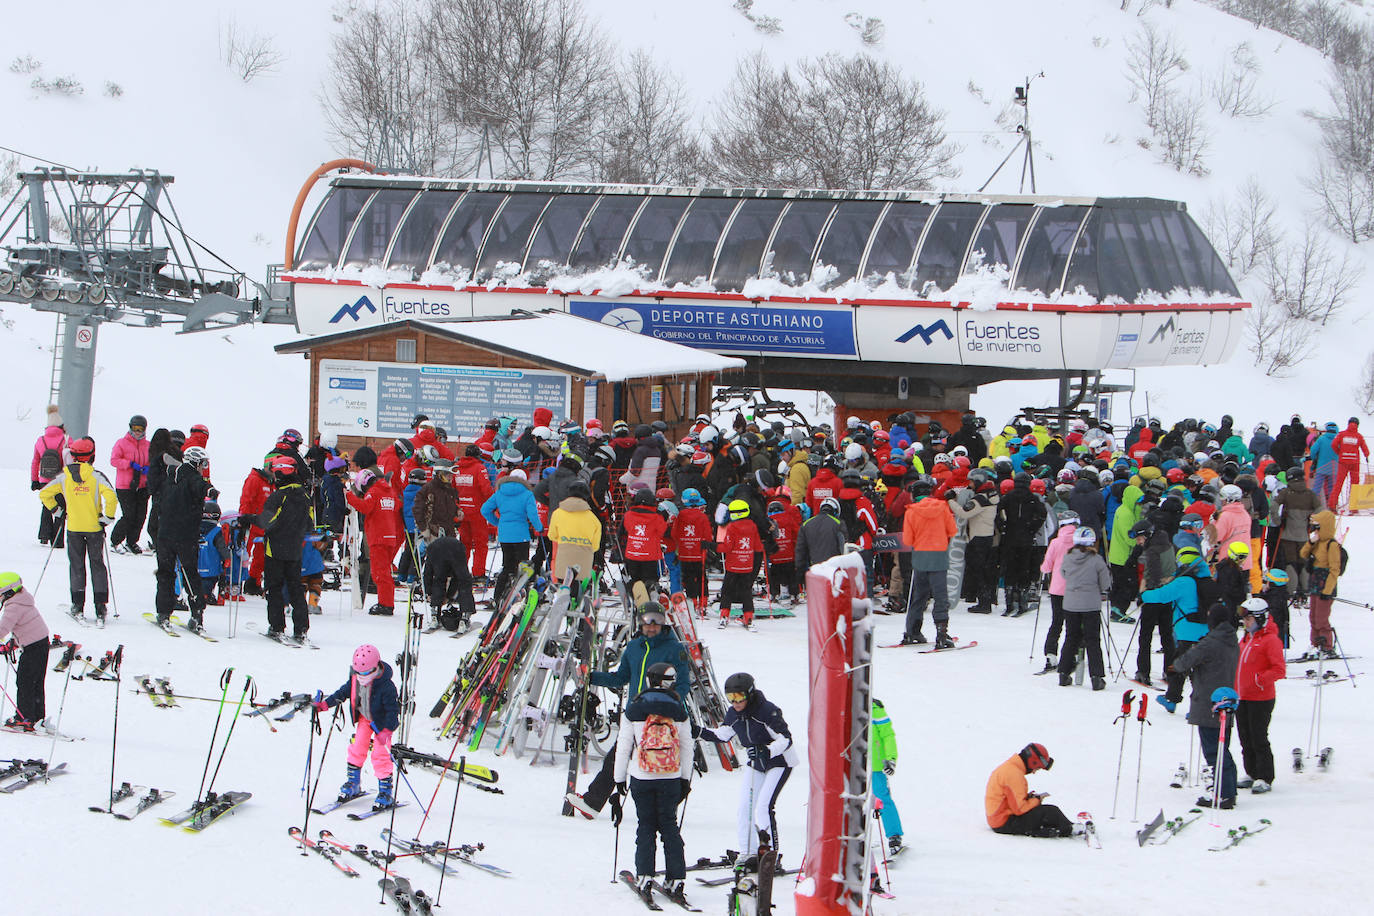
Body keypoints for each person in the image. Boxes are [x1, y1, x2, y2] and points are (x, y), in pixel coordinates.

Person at [566, 602, 688, 818]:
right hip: (636, 716)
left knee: (660, 761)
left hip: (662, 718)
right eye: (646, 622)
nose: (651, 627)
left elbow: (683, 685)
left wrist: (667, 707)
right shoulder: (634, 647)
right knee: (616, 758)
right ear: (639, 623)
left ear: (663, 623)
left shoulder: (675, 649)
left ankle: (665, 809)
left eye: (656, 622)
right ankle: (593, 803)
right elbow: (621, 678)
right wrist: (592, 677)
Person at [613, 661, 693, 902]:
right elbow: (688, 746)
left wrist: (619, 779)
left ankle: (645, 875)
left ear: (650, 680)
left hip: (642, 776)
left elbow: (624, 746)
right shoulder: (679, 709)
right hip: (670, 777)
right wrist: (685, 780)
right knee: (669, 826)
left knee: (645, 825)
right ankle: (676, 877)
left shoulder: (635, 708)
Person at [703, 672, 798, 868]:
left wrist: (766, 750)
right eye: (730, 698)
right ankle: (748, 852)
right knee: (744, 808)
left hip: (780, 762)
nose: (735, 703)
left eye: (739, 697)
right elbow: (723, 734)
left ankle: (770, 854)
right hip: (757, 763)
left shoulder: (766, 711)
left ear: (750, 694)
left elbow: (786, 739)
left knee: (763, 807)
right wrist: (699, 732)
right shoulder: (734, 713)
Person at [38, 437, 117, 623]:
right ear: (92, 456)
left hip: (73, 528)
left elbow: (44, 493)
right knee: (97, 565)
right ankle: (100, 606)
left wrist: (57, 511)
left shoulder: (64, 476)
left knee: (77, 566)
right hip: (94, 528)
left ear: (72, 456)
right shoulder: (96, 476)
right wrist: (107, 518)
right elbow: (112, 497)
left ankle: (77, 605)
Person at [1170, 603, 1240, 808]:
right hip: (1226, 699)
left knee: (1214, 750)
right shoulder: (1231, 639)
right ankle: (1227, 788)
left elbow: (1185, 661)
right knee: (1222, 747)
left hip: (1209, 702)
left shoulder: (1211, 642)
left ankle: (1224, 794)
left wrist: (1176, 666)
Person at [314, 644, 400, 812]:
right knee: (357, 747)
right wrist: (325, 704)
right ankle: (353, 783)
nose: (362, 676)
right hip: (364, 719)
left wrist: (387, 731)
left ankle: (386, 792)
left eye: (366, 672)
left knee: (380, 755)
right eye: (359, 672)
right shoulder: (355, 679)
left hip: (382, 724)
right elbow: (342, 693)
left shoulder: (387, 686)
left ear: (375, 667)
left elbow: (393, 712)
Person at [1141, 547, 1215, 714]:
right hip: (1206, 632)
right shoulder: (1208, 581)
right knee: (1200, 672)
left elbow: (1162, 595)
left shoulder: (1184, 582)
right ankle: (1196, 704)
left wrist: (1144, 596)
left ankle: (1174, 701)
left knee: (1178, 667)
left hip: (1187, 633)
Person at [249, 456, 314, 642]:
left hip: (275, 550)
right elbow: (309, 524)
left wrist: (248, 519)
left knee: (274, 588)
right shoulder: (304, 495)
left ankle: (276, 626)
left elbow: (265, 521)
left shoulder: (279, 496)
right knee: (295, 589)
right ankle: (301, 628)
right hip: (294, 550)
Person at [154, 446, 211, 629]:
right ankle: (196, 615)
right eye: (203, 464)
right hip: (185, 536)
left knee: (166, 573)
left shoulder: (170, 477)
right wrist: (210, 491)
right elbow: (201, 486)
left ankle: (164, 613)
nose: (204, 468)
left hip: (165, 534)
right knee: (190, 574)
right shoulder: (193, 478)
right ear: (196, 462)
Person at [1236, 597, 1285, 795]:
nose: (1246, 624)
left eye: (1249, 620)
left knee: (1258, 737)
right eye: (1245, 620)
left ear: (1260, 618)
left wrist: (1259, 680)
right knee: (1245, 737)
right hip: (1243, 696)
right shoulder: (1246, 638)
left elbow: (1279, 669)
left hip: (1261, 698)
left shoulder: (1270, 640)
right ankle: (1251, 772)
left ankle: (1264, 775)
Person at [900, 479, 957, 648]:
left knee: (918, 595)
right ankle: (941, 633)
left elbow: (908, 539)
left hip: (920, 556)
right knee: (940, 596)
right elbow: (952, 530)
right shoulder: (942, 507)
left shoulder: (911, 511)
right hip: (939, 556)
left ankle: (912, 631)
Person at [1056, 527, 1111, 690]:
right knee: (1092, 640)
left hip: (1071, 603)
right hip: (1090, 605)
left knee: (1071, 637)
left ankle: (1064, 673)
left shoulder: (1068, 557)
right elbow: (1105, 583)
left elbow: (1063, 574)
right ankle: (1096, 677)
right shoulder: (1096, 560)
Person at [481, 468, 542, 609]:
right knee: (523, 567)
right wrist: (538, 528)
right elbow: (533, 515)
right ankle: (523, 596)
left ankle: (498, 596)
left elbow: (485, 509)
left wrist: (497, 522)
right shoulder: (527, 494)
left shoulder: (500, 492)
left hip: (504, 534)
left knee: (507, 565)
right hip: (521, 534)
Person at [985, 742, 1074, 837]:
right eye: (1037, 768)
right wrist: (1037, 800)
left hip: (997, 819)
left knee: (1041, 812)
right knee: (1051, 812)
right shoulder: (1014, 775)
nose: (1034, 772)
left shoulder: (1009, 768)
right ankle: (1070, 829)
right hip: (1004, 823)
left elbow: (1009, 799)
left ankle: (1051, 828)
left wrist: (1029, 798)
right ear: (1033, 762)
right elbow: (1020, 809)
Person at [346, 466, 400, 616]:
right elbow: (396, 507)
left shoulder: (374, 492)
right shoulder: (389, 491)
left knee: (379, 573)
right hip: (390, 536)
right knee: (386, 573)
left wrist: (350, 497)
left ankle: (385, 604)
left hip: (378, 537)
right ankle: (387, 602)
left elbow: (365, 507)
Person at [0, 573, 51, 731]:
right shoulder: (22, 600)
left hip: (33, 648)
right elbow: (26, 626)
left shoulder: (13, 607)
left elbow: (3, 628)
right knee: (35, 682)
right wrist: (14, 642)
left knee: (25, 682)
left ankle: (24, 717)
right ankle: (36, 716)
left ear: (9, 592)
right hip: (41, 644)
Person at [1038, 512, 1080, 672]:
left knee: (1056, 622)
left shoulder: (1055, 542)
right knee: (1073, 625)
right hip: (1075, 589)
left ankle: (1050, 655)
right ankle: (1073, 654)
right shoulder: (1080, 542)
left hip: (1057, 589)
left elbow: (1046, 567)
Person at [109, 415, 151, 555]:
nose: (137, 432)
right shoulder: (122, 443)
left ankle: (132, 542)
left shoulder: (148, 445)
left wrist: (148, 468)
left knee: (140, 515)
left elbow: (152, 461)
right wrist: (129, 464)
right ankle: (115, 541)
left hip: (142, 485)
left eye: (140, 429)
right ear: (130, 428)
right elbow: (114, 460)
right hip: (125, 486)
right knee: (129, 515)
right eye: (135, 429)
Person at [547, 483, 602, 586]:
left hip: (563, 563)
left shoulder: (557, 513)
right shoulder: (593, 519)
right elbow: (595, 546)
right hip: (583, 565)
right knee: (578, 591)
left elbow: (552, 535)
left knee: (563, 592)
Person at [718, 500, 761, 629]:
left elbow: (727, 547)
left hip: (733, 566)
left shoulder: (732, 527)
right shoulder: (753, 526)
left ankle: (724, 615)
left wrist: (713, 546)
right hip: (747, 566)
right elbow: (758, 546)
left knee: (727, 590)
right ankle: (748, 617)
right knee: (746, 591)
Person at [421, 535, 476, 631]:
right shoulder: (453, 548)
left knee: (439, 579)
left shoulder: (431, 550)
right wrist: (448, 596)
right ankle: (464, 617)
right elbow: (457, 579)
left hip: (437, 550)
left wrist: (429, 593)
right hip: (456, 548)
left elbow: (427, 574)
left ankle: (435, 614)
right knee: (464, 580)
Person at [31, 406, 69, 547]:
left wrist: (34, 479)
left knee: (46, 506)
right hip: (60, 480)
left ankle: (44, 536)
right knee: (61, 508)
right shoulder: (66, 439)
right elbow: (70, 460)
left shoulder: (40, 440)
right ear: (61, 426)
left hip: (44, 479)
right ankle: (57, 539)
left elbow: (35, 461)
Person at [871, 699, 904, 854]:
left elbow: (888, 735)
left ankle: (894, 836)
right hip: (853, 764)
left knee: (881, 798)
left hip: (875, 765)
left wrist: (891, 759)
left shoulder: (874, 709)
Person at [622, 489, 669, 599]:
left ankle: (636, 602)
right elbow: (662, 531)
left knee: (636, 581)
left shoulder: (628, 514)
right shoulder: (656, 517)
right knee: (650, 581)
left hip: (632, 554)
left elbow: (627, 528)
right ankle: (650, 600)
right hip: (649, 555)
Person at [673, 489, 712, 614]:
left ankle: (693, 601)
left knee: (688, 577)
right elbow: (708, 535)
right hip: (699, 553)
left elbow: (675, 533)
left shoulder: (681, 515)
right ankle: (703, 602)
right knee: (701, 577)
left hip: (685, 552)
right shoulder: (702, 516)